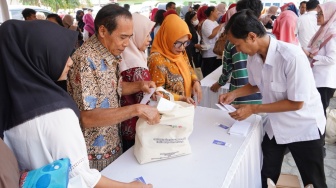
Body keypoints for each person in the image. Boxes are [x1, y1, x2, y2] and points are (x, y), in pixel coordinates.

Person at [0, 19, 152, 188]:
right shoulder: (56, 113)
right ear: (39, 55)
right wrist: (131, 186)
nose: (70, 62)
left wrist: (139, 86)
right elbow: (80, 176)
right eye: (60, 54)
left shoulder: (9, 109)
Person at [220, 9, 327, 188]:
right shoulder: (253, 57)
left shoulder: (291, 57)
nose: (238, 50)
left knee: (314, 181)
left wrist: (253, 109)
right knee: (266, 173)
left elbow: (296, 103)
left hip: (304, 127)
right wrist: (234, 94)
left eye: (238, 45)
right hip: (277, 126)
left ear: (252, 36)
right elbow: (256, 84)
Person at [67, 4, 160, 171]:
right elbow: (87, 118)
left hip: (113, 144)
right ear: (103, 31)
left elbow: (111, 89)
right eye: (122, 37)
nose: (126, 44)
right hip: (93, 155)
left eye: (129, 37)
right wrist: (136, 109)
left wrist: (140, 85)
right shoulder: (85, 60)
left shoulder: (110, 52)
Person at [120, 13, 155, 151]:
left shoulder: (123, 57)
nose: (150, 39)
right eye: (146, 35)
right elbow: (145, 101)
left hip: (124, 125)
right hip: (136, 127)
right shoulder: (137, 66)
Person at [148, 14, 202, 104]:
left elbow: (189, 67)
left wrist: (195, 81)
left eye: (186, 42)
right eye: (178, 43)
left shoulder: (180, 52)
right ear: (167, 39)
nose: (182, 48)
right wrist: (181, 98)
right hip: (169, 110)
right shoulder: (157, 59)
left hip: (185, 106)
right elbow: (157, 92)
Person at [303, 1, 336, 117]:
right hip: (318, 79)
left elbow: (332, 59)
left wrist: (310, 55)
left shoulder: (332, 33)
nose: (317, 17)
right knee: (315, 112)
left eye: (320, 14)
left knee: (320, 113)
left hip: (325, 81)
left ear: (329, 14)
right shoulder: (324, 30)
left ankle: (320, 135)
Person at [201, 6, 224, 77]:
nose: (218, 12)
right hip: (209, 53)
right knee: (208, 74)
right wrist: (220, 26)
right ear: (212, 12)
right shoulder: (207, 22)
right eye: (216, 11)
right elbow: (210, 35)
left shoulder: (215, 23)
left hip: (216, 53)